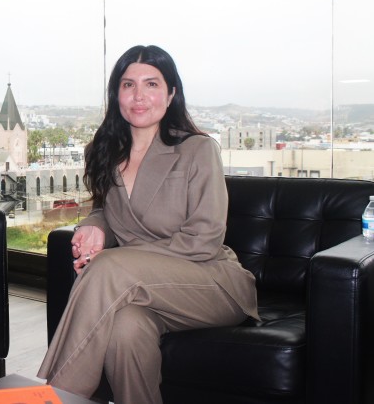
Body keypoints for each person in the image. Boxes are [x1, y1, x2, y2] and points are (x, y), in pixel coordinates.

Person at [37, 45, 259, 404]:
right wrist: (96, 227)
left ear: (171, 94)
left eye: (152, 84)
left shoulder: (198, 150)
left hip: (210, 283)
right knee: (126, 330)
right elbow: (108, 210)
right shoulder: (103, 151)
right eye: (128, 85)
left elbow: (204, 239)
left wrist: (123, 259)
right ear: (117, 94)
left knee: (110, 268)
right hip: (142, 289)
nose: (139, 96)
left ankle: (54, 397)